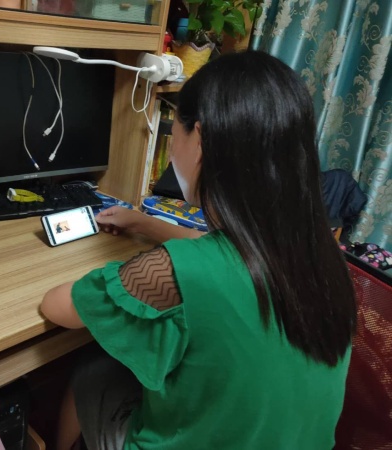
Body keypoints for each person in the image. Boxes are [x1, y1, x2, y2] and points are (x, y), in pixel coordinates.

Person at [40, 50, 356, 450]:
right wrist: (144, 223)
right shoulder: (323, 256)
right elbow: (227, 259)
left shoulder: (181, 270)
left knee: (92, 368)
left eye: (175, 132)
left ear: (200, 140)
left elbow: (60, 308)